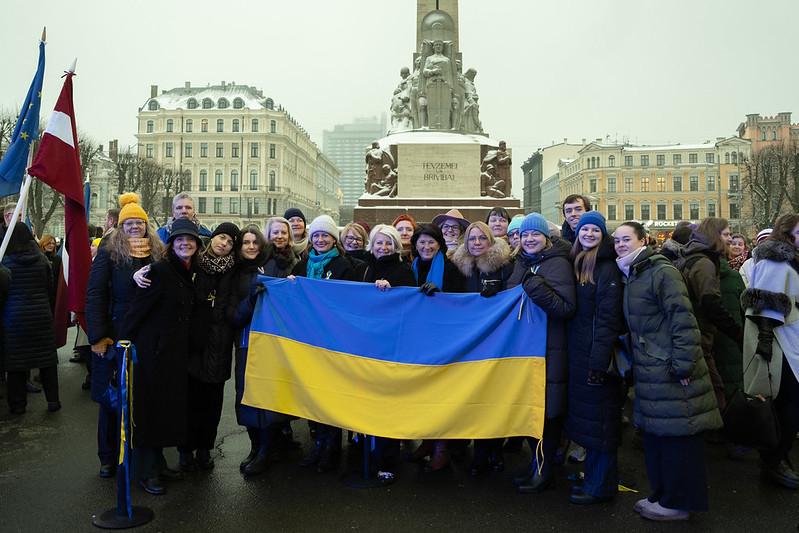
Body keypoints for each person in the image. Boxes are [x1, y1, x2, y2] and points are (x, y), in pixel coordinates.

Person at [614, 221, 721, 521]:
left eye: (626, 239)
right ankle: (663, 494)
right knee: (658, 436)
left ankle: (678, 502)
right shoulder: (634, 273)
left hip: (670, 367)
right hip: (652, 368)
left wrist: (683, 364)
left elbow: (682, 319)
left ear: (643, 241)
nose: (620, 244)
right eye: (617, 240)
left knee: (678, 437)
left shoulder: (661, 271)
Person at [119, 218, 203, 495]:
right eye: (180, 239)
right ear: (171, 244)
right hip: (151, 353)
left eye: (190, 239)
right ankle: (147, 471)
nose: (185, 243)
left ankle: (159, 463)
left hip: (172, 354)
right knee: (149, 413)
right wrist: (123, 346)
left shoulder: (187, 270)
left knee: (165, 411)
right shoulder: (159, 270)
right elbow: (137, 311)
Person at [86, 193, 165, 479]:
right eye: (129, 223)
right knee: (111, 399)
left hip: (146, 334)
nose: (135, 227)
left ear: (146, 226)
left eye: (139, 222)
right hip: (115, 333)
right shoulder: (109, 249)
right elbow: (95, 293)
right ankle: (108, 457)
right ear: (121, 226)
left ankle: (136, 454)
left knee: (141, 398)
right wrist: (97, 337)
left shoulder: (157, 250)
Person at [505, 214, 576, 494]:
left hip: (550, 349)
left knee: (547, 414)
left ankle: (544, 471)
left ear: (546, 238)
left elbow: (565, 308)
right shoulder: (521, 263)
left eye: (535, 235)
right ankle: (536, 465)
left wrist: (533, 285)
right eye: (524, 236)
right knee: (532, 411)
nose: (529, 240)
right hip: (526, 349)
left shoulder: (558, 263)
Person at [562, 212, 625, 505]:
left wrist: (598, 362)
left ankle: (601, 487)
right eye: (584, 229)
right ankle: (594, 478)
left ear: (603, 235)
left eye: (595, 230)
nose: (588, 233)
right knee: (589, 421)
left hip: (595, 356)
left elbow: (608, 319)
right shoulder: (581, 261)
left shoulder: (606, 268)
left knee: (600, 424)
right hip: (581, 354)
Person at [290, 215, 357, 473]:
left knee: (332, 396)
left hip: (333, 339)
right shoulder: (302, 265)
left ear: (333, 239)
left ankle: (331, 449)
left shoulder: (343, 266)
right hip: (308, 339)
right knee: (314, 396)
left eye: (325, 236)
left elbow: (347, 300)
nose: (320, 240)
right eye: (316, 235)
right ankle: (317, 445)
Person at [174, 222, 240, 472]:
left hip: (219, 345)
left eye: (230, 242)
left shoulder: (233, 269)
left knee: (211, 404)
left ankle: (204, 449)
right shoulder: (193, 262)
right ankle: (184, 450)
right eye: (222, 237)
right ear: (212, 238)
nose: (224, 243)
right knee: (188, 399)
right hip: (192, 342)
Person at [741, 214, 799, 489]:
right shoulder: (775, 258)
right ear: (788, 233)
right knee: (787, 402)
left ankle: (776, 457)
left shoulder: (793, 259)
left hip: (793, 339)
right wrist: (764, 339)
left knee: (788, 403)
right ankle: (773, 459)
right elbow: (760, 300)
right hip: (781, 341)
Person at [451, 221, 513, 475]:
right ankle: (479, 451)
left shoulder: (505, 266)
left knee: (494, 400)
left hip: (497, 343)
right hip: (468, 344)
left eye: (481, 238)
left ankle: (494, 449)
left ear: (490, 240)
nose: (476, 243)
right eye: (472, 239)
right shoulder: (458, 268)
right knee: (473, 401)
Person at [404, 224, 466, 471]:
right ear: (415, 245)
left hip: (443, 339)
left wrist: (442, 295)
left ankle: (443, 448)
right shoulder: (412, 267)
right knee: (423, 393)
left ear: (439, 244)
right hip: (418, 339)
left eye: (431, 243)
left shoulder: (450, 270)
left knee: (441, 395)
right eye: (421, 243)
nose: (426, 247)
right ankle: (428, 441)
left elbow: (460, 302)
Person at [361, 224, 416, 474]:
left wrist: (391, 292)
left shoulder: (404, 272)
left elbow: (409, 306)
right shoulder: (363, 268)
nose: (383, 247)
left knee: (388, 401)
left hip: (391, 345)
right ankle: (366, 451)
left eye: (388, 243)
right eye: (379, 243)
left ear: (395, 246)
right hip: (364, 344)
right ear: (371, 244)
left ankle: (387, 457)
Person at [228, 225, 279, 477]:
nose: (250, 246)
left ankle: (266, 451)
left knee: (266, 397)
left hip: (270, 343)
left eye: (254, 242)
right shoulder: (234, 272)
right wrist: (250, 302)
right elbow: (232, 314)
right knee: (245, 395)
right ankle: (255, 446)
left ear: (261, 245)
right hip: (245, 341)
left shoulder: (273, 266)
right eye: (245, 242)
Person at [680, 218, 743, 412]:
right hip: (700, 337)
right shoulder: (705, 263)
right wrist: (736, 332)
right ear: (714, 236)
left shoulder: (700, 258)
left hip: (698, 335)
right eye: (725, 234)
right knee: (715, 390)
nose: (730, 239)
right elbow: (710, 304)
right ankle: (717, 435)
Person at [1, 222, 60, 414]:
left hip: (14, 318)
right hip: (41, 316)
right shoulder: (42, 260)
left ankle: (18, 405)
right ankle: (53, 400)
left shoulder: (5, 262)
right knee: (47, 361)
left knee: (16, 364)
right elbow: (49, 287)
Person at [38, 234, 61, 315]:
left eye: (53, 243)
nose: (51, 245)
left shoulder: (57, 259)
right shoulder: (37, 257)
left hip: (53, 294)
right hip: (40, 292)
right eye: (48, 243)